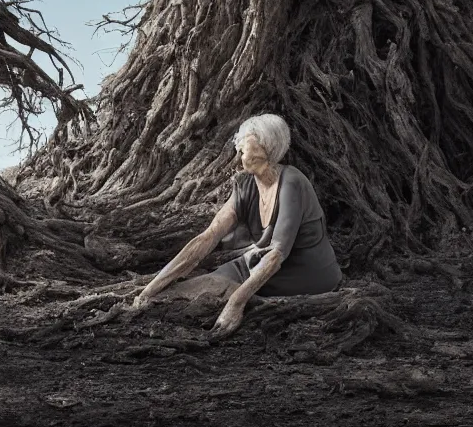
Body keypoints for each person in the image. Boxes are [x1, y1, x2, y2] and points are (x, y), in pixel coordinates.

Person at [132, 114, 341, 336]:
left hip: (303, 273)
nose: (238, 151)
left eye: (245, 145)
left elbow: (277, 254)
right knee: (176, 295)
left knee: (215, 301)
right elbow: (209, 236)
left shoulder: (292, 182)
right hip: (253, 265)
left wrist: (235, 303)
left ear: (265, 148)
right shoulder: (245, 184)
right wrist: (150, 289)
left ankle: (239, 300)